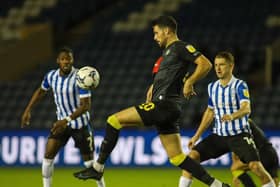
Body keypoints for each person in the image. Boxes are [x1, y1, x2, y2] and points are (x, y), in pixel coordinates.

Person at [73, 15, 230, 187]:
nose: (154, 37)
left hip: (163, 105)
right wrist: (153, 86)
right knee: (177, 157)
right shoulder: (167, 55)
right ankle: (218, 185)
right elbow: (168, 76)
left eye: (156, 33)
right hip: (169, 109)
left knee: (113, 121)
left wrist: (190, 82)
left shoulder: (180, 47)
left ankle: (98, 167)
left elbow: (205, 64)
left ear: (167, 31)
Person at [178, 51, 276, 187]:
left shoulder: (240, 85)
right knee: (191, 158)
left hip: (239, 135)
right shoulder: (212, 87)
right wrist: (196, 135)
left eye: (222, 65)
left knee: (256, 167)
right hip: (219, 136)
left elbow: (246, 108)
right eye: (216, 65)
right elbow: (210, 111)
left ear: (231, 66)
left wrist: (232, 116)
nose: (218, 68)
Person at [21, 47, 105, 187]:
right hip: (62, 125)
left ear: (72, 60)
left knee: (90, 164)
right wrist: (28, 110)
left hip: (80, 126)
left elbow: (85, 106)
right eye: (63, 59)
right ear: (58, 61)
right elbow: (41, 91)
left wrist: (66, 120)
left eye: (69, 59)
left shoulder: (80, 77)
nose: (66, 61)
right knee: (48, 156)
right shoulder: (51, 76)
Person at [230, 119, 279, 187]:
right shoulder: (246, 121)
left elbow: (236, 151)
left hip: (261, 154)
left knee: (235, 168)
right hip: (272, 153)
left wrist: (237, 176)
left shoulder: (236, 127)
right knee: (274, 182)